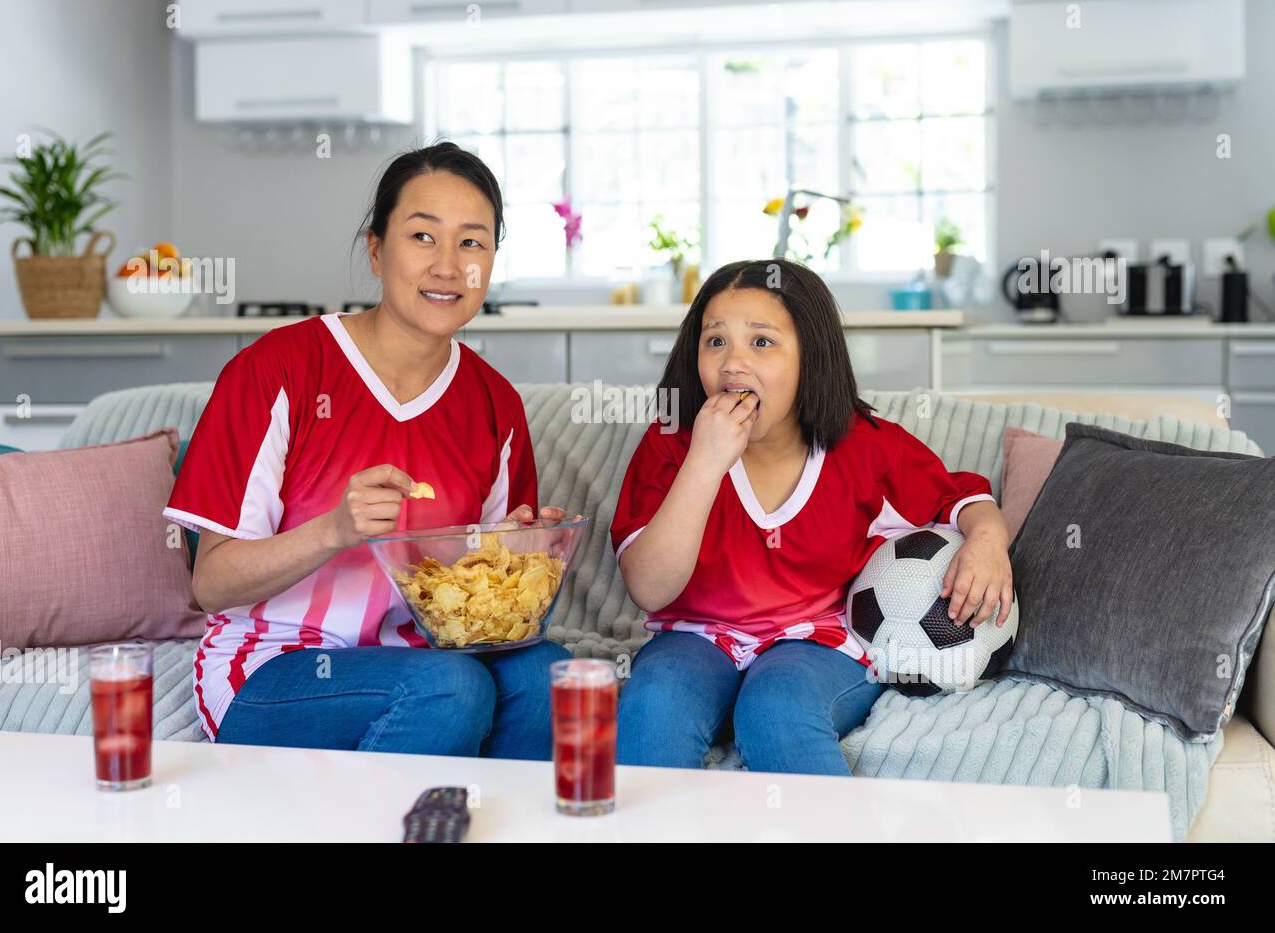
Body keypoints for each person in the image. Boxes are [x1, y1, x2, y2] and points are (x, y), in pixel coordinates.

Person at [163, 142, 570, 758]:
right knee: (451, 689)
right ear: (377, 250)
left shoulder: (495, 403)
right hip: (271, 666)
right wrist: (332, 530)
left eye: (472, 242)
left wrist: (511, 554)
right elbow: (212, 582)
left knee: (551, 677)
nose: (448, 265)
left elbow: (476, 609)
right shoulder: (275, 369)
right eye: (423, 236)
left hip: (422, 658)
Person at [611, 258, 1013, 775]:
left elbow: (964, 499)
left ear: (810, 357)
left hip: (814, 640)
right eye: (715, 341)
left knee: (775, 708)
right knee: (654, 705)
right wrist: (705, 462)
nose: (733, 363)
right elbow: (648, 587)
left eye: (761, 342)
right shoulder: (670, 446)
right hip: (694, 637)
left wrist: (987, 543)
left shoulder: (865, 447)